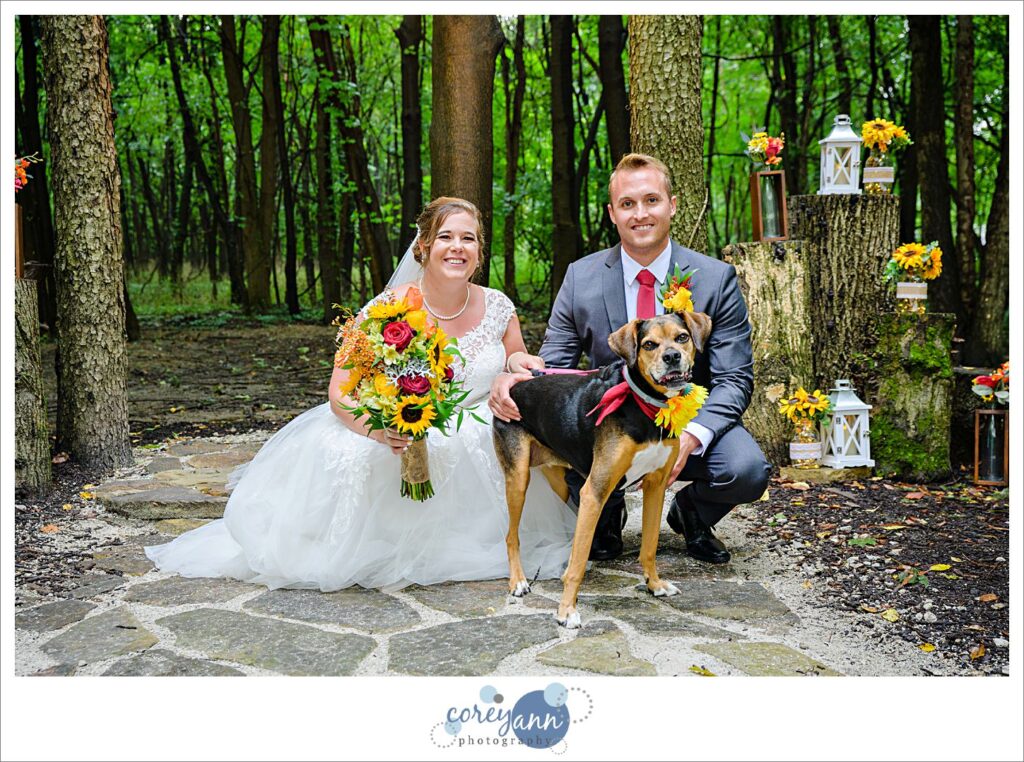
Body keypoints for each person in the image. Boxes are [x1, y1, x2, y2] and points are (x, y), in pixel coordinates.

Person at [146, 197, 576, 591]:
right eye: (445, 236)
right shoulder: (385, 311)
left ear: (479, 251)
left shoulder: (498, 305)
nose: (457, 247)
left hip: (478, 428)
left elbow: (516, 354)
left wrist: (520, 363)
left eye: (468, 238)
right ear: (423, 247)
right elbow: (339, 391)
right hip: (402, 433)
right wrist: (379, 432)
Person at [490, 153, 770, 564]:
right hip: (609, 429)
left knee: (746, 470)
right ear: (612, 213)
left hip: (685, 420)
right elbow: (554, 366)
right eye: (627, 204)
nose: (640, 214)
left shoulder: (714, 278)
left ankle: (691, 514)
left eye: (651, 200)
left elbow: (734, 378)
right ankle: (606, 510)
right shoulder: (580, 277)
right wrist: (513, 374)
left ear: (672, 205)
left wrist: (692, 437)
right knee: (558, 431)